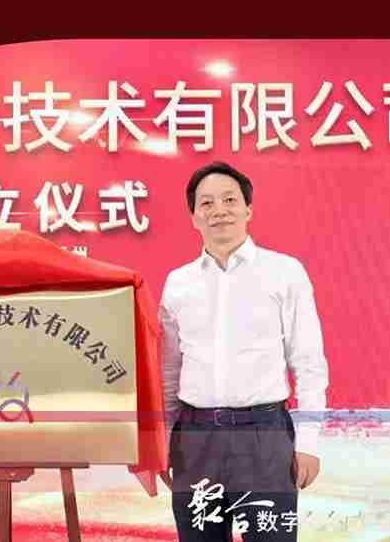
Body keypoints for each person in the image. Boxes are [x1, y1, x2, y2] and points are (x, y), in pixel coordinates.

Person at [159, 161, 329, 541]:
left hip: (264, 436)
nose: (219, 210)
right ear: (194, 217)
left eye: (230, 200)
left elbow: (309, 364)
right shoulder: (178, 284)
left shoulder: (284, 272)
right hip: (195, 438)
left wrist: (309, 443)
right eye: (206, 203)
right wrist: (164, 441)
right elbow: (169, 371)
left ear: (248, 209)